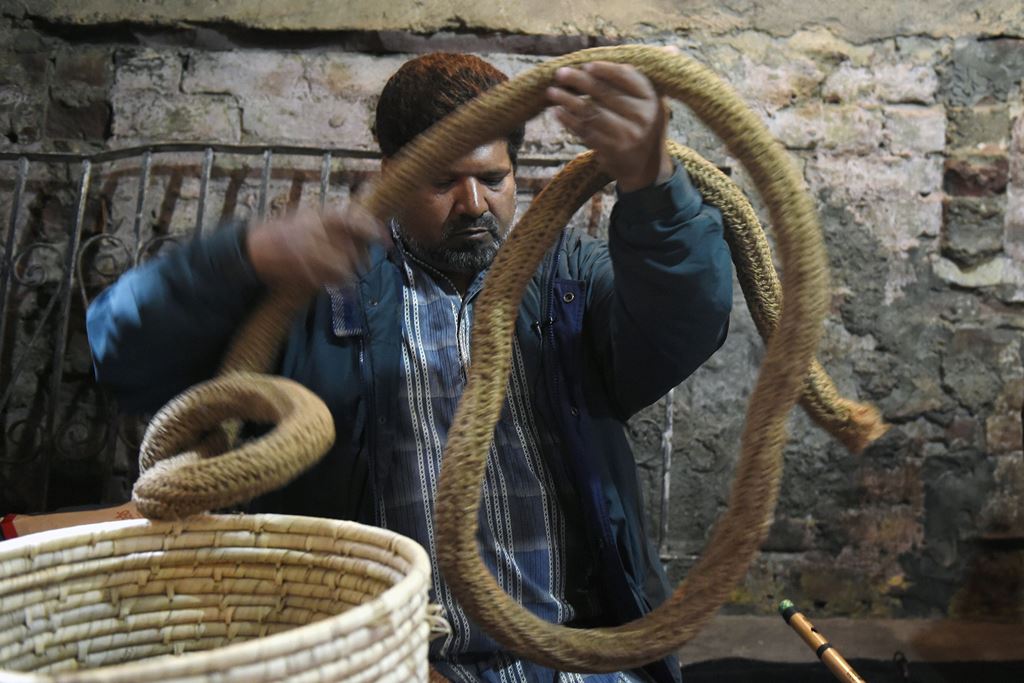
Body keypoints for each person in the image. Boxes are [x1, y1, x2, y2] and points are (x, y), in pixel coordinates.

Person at [85, 52, 733, 682]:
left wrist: (653, 186)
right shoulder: (312, 289)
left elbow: (685, 324)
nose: (475, 204)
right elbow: (123, 350)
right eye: (443, 181)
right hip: (386, 661)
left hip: (577, 657)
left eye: (494, 178)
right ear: (391, 172)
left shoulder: (565, 276)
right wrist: (240, 260)